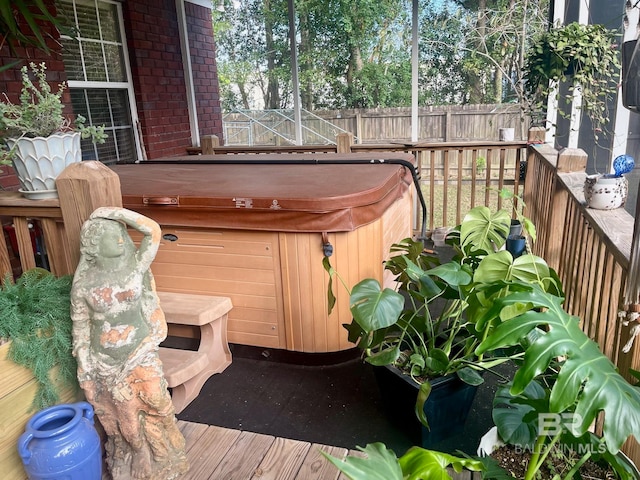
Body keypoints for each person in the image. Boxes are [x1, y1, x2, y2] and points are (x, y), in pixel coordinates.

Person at [70, 207, 188, 480]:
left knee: (157, 400)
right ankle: (139, 453)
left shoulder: (135, 267)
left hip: (140, 351)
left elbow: (152, 231)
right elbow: (80, 326)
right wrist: (86, 365)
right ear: (95, 245)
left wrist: (115, 213)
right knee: (124, 417)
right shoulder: (84, 283)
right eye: (113, 235)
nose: (122, 238)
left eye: (121, 232)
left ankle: (167, 448)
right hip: (106, 361)